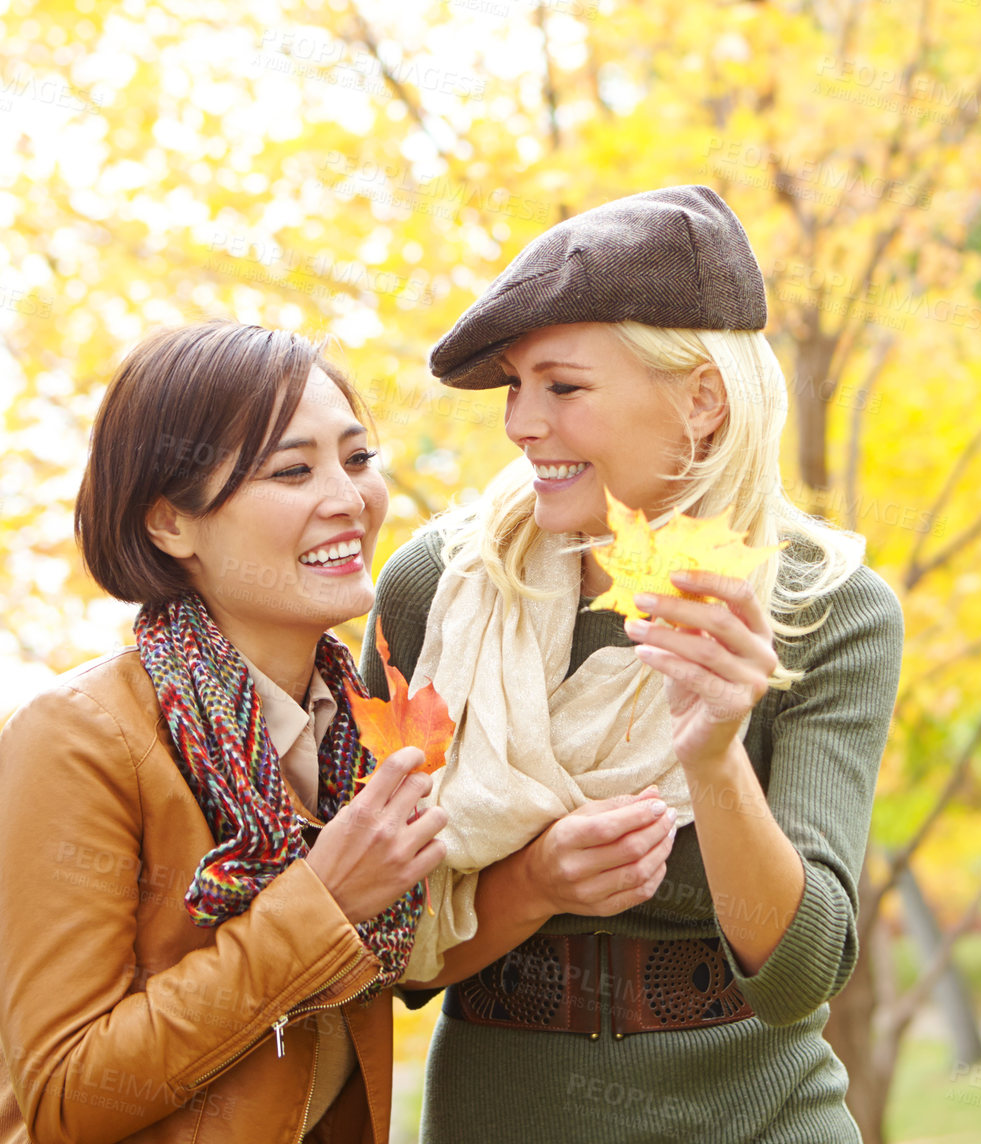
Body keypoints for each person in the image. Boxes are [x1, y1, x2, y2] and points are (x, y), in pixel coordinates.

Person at [366, 185, 904, 1142]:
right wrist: (531, 886)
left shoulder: (826, 612)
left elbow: (797, 974)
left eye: (563, 388)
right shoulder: (438, 594)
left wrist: (714, 753)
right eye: (514, 387)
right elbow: (382, 944)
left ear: (702, 397)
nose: (522, 424)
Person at [0, 322, 447, 1144]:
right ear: (169, 524)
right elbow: (67, 1095)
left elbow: (398, 968)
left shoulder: (355, 735)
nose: (348, 497)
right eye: (293, 470)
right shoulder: (75, 740)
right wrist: (321, 904)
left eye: (358, 459)